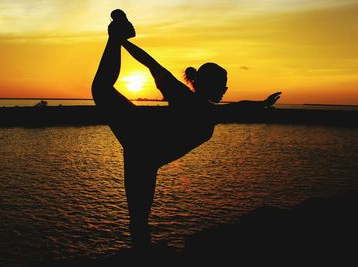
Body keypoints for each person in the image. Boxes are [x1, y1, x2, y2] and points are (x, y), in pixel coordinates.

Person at [91, 9, 281, 249]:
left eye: (226, 84)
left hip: (142, 152)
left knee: (138, 217)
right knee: (101, 89)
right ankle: (116, 35)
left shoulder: (206, 109)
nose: (225, 88)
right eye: (222, 84)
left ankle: (116, 35)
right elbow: (150, 64)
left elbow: (239, 107)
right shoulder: (192, 102)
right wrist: (123, 43)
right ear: (208, 84)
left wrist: (262, 103)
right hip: (139, 134)